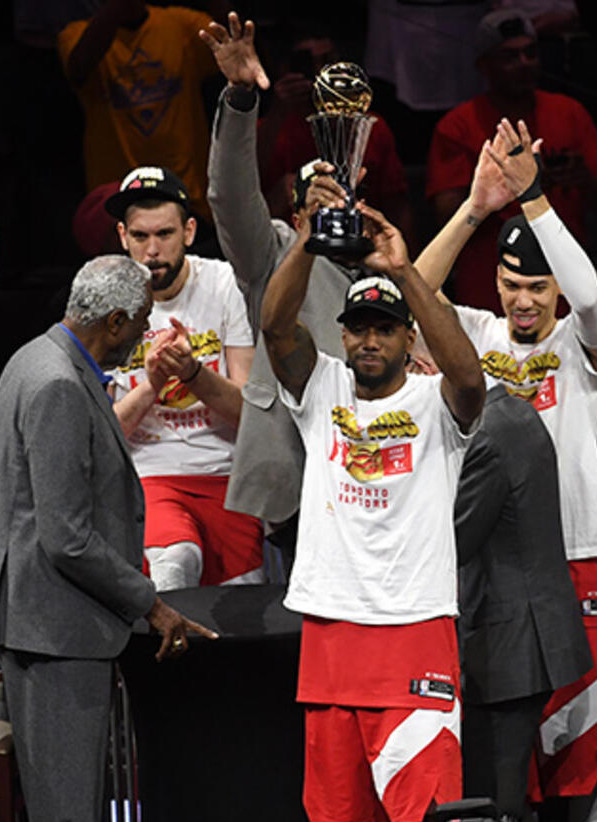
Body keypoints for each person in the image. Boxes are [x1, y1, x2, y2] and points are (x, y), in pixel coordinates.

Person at [416, 119, 597, 822]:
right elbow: (414, 292)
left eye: (539, 287)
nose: (526, 301)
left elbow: (592, 300)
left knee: (588, 759)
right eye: (513, 286)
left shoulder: (580, 344)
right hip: (494, 574)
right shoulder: (473, 338)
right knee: (511, 768)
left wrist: (533, 198)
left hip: (577, 561)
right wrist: (475, 208)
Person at [0, 254, 215, 822]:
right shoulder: (57, 383)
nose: (145, 333)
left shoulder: (33, 357)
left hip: (41, 618)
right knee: (68, 810)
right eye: (142, 320)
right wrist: (149, 602)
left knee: (62, 799)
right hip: (55, 626)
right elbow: (67, 537)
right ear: (115, 320)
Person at [261, 187, 485, 822]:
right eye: (358, 328)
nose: (368, 340)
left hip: (414, 626)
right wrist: (307, 237)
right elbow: (276, 326)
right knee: (341, 821)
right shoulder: (321, 386)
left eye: (384, 329)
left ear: (406, 336)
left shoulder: (434, 405)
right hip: (332, 629)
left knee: (430, 820)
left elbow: (469, 378)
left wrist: (405, 272)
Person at [199, 13, 355, 546]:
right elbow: (228, 195)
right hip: (296, 466)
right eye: (312, 198)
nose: (326, 204)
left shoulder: (386, 253)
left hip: (377, 462)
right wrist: (242, 98)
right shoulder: (271, 253)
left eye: (335, 193)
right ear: (294, 214)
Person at [103, 166, 264, 590]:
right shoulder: (105, 298)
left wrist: (193, 374)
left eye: (165, 234)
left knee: (243, 602)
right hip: (151, 475)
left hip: (228, 475)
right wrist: (153, 384)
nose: (153, 251)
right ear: (122, 236)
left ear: (189, 231)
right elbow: (101, 434)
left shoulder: (227, 284)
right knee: (174, 569)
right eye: (140, 237)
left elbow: (251, 415)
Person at [454, 382, 592, 822]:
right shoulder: (513, 410)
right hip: (521, 634)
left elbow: (451, 541)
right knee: (501, 791)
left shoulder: (487, 436)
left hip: (507, 642)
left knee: (491, 799)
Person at [426, 10, 597, 313]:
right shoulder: (458, 125)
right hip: (487, 292)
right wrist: (493, 193)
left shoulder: (569, 112)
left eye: (530, 52)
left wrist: (583, 179)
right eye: (509, 56)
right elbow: (443, 213)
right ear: (484, 64)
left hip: (563, 290)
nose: (524, 64)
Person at [58, 0, 220, 220]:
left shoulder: (181, 24)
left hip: (188, 197)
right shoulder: (75, 33)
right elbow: (79, 68)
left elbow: (234, 42)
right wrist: (114, 12)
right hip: (118, 204)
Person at [256, 24, 410, 236]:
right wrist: (277, 110)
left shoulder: (370, 127)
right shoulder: (266, 130)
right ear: (286, 68)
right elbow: (242, 200)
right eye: (308, 64)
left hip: (361, 242)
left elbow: (396, 205)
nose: (320, 75)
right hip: (286, 243)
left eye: (328, 64)